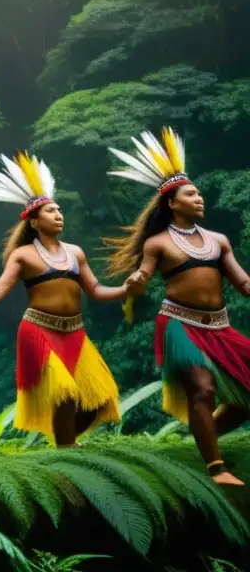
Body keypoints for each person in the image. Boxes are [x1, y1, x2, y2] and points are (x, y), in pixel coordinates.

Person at [107, 127, 250, 485]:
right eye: (191, 193)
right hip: (179, 325)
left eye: (199, 192)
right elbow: (142, 275)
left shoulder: (218, 241)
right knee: (202, 389)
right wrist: (136, 282)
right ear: (172, 202)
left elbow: (244, 283)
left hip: (219, 326)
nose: (199, 197)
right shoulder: (157, 242)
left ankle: (202, 438)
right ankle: (216, 468)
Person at [0, 152, 127, 447]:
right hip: (39, 331)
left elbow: (98, 292)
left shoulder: (75, 252)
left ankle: (63, 443)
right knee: (64, 392)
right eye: (51, 211)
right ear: (35, 221)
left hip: (74, 331)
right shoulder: (23, 255)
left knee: (101, 398)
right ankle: (66, 449)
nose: (59, 215)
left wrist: (127, 288)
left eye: (59, 210)